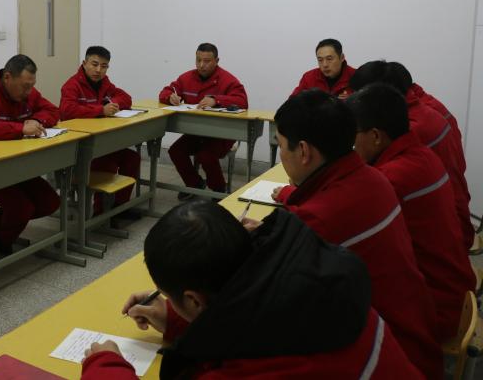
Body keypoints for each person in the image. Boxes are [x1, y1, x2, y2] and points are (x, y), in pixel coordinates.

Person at [81, 202, 421, 379]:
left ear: (194, 300)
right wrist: (177, 318)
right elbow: (248, 317)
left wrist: (105, 363)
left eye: (170, 297)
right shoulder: (316, 285)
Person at [267, 90, 442, 378]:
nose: (281, 154)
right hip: (414, 334)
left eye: (281, 145)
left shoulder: (319, 218)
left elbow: (266, 288)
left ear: (304, 151)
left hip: (388, 354)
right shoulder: (373, 178)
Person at [346, 83, 475, 341]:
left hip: (435, 310)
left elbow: (343, 224)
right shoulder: (422, 155)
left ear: (376, 136)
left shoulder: (392, 178)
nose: (350, 144)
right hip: (454, 291)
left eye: (352, 134)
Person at [349, 61, 473, 248]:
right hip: (451, 214)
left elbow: (366, 186)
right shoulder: (428, 109)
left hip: (449, 231)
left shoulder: (411, 131)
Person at [0, 54, 60, 255]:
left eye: (32, 86)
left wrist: (38, 121)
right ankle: (2, 241)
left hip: (17, 166)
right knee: (21, 208)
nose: (29, 92)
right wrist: (20, 128)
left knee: (50, 202)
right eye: (25, 86)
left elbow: (52, 111)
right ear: (7, 77)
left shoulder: (28, 93)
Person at [158, 43, 248, 197]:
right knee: (175, 151)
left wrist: (216, 100)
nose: (201, 65)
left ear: (217, 61)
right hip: (196, 131)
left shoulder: (228, 80)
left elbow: (242, 101)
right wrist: (169, 97)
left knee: (205, 155)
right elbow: (166, 91)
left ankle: (219, 189)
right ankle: (194, 184)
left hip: (222, 133)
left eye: (207, 61)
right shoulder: (186, 78)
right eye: (198, 60)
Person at [60, 46, 141, 213]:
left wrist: (114, 104)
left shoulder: (105, 83)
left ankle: (119, 206)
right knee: (106, 163)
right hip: (81, 146)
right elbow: (67, 111)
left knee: (132, 158)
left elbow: (126, 98)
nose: (98, 70)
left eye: (104, 66)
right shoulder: (72, 85)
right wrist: (100, 110)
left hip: (101, 140)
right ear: (84, 63)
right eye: (94, 64)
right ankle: (100, 211)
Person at [290, 38, 355, 98]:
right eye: (320, 60)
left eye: (329, 59)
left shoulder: (356, 76)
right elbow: (292, 103)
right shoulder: (309, 78)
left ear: (342, 57)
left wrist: (351, 102)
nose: (325, 65)